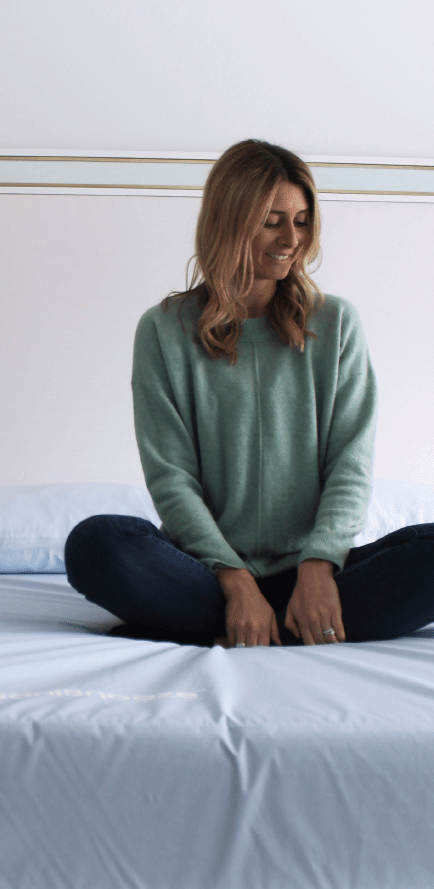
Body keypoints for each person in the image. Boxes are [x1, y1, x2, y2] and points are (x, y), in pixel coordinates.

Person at [64, 139, 434, 648]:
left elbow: (351, 464)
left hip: (320, 575)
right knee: (95, 545)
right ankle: (265, 618)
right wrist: (235, 581)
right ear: (230, 220)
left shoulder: (337, 323)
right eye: (272, 220)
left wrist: (319, 568)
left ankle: (247, 620)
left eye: (301, 220)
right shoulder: (164, 330)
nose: (291, 238)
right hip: (206, 572)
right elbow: (172, 479)